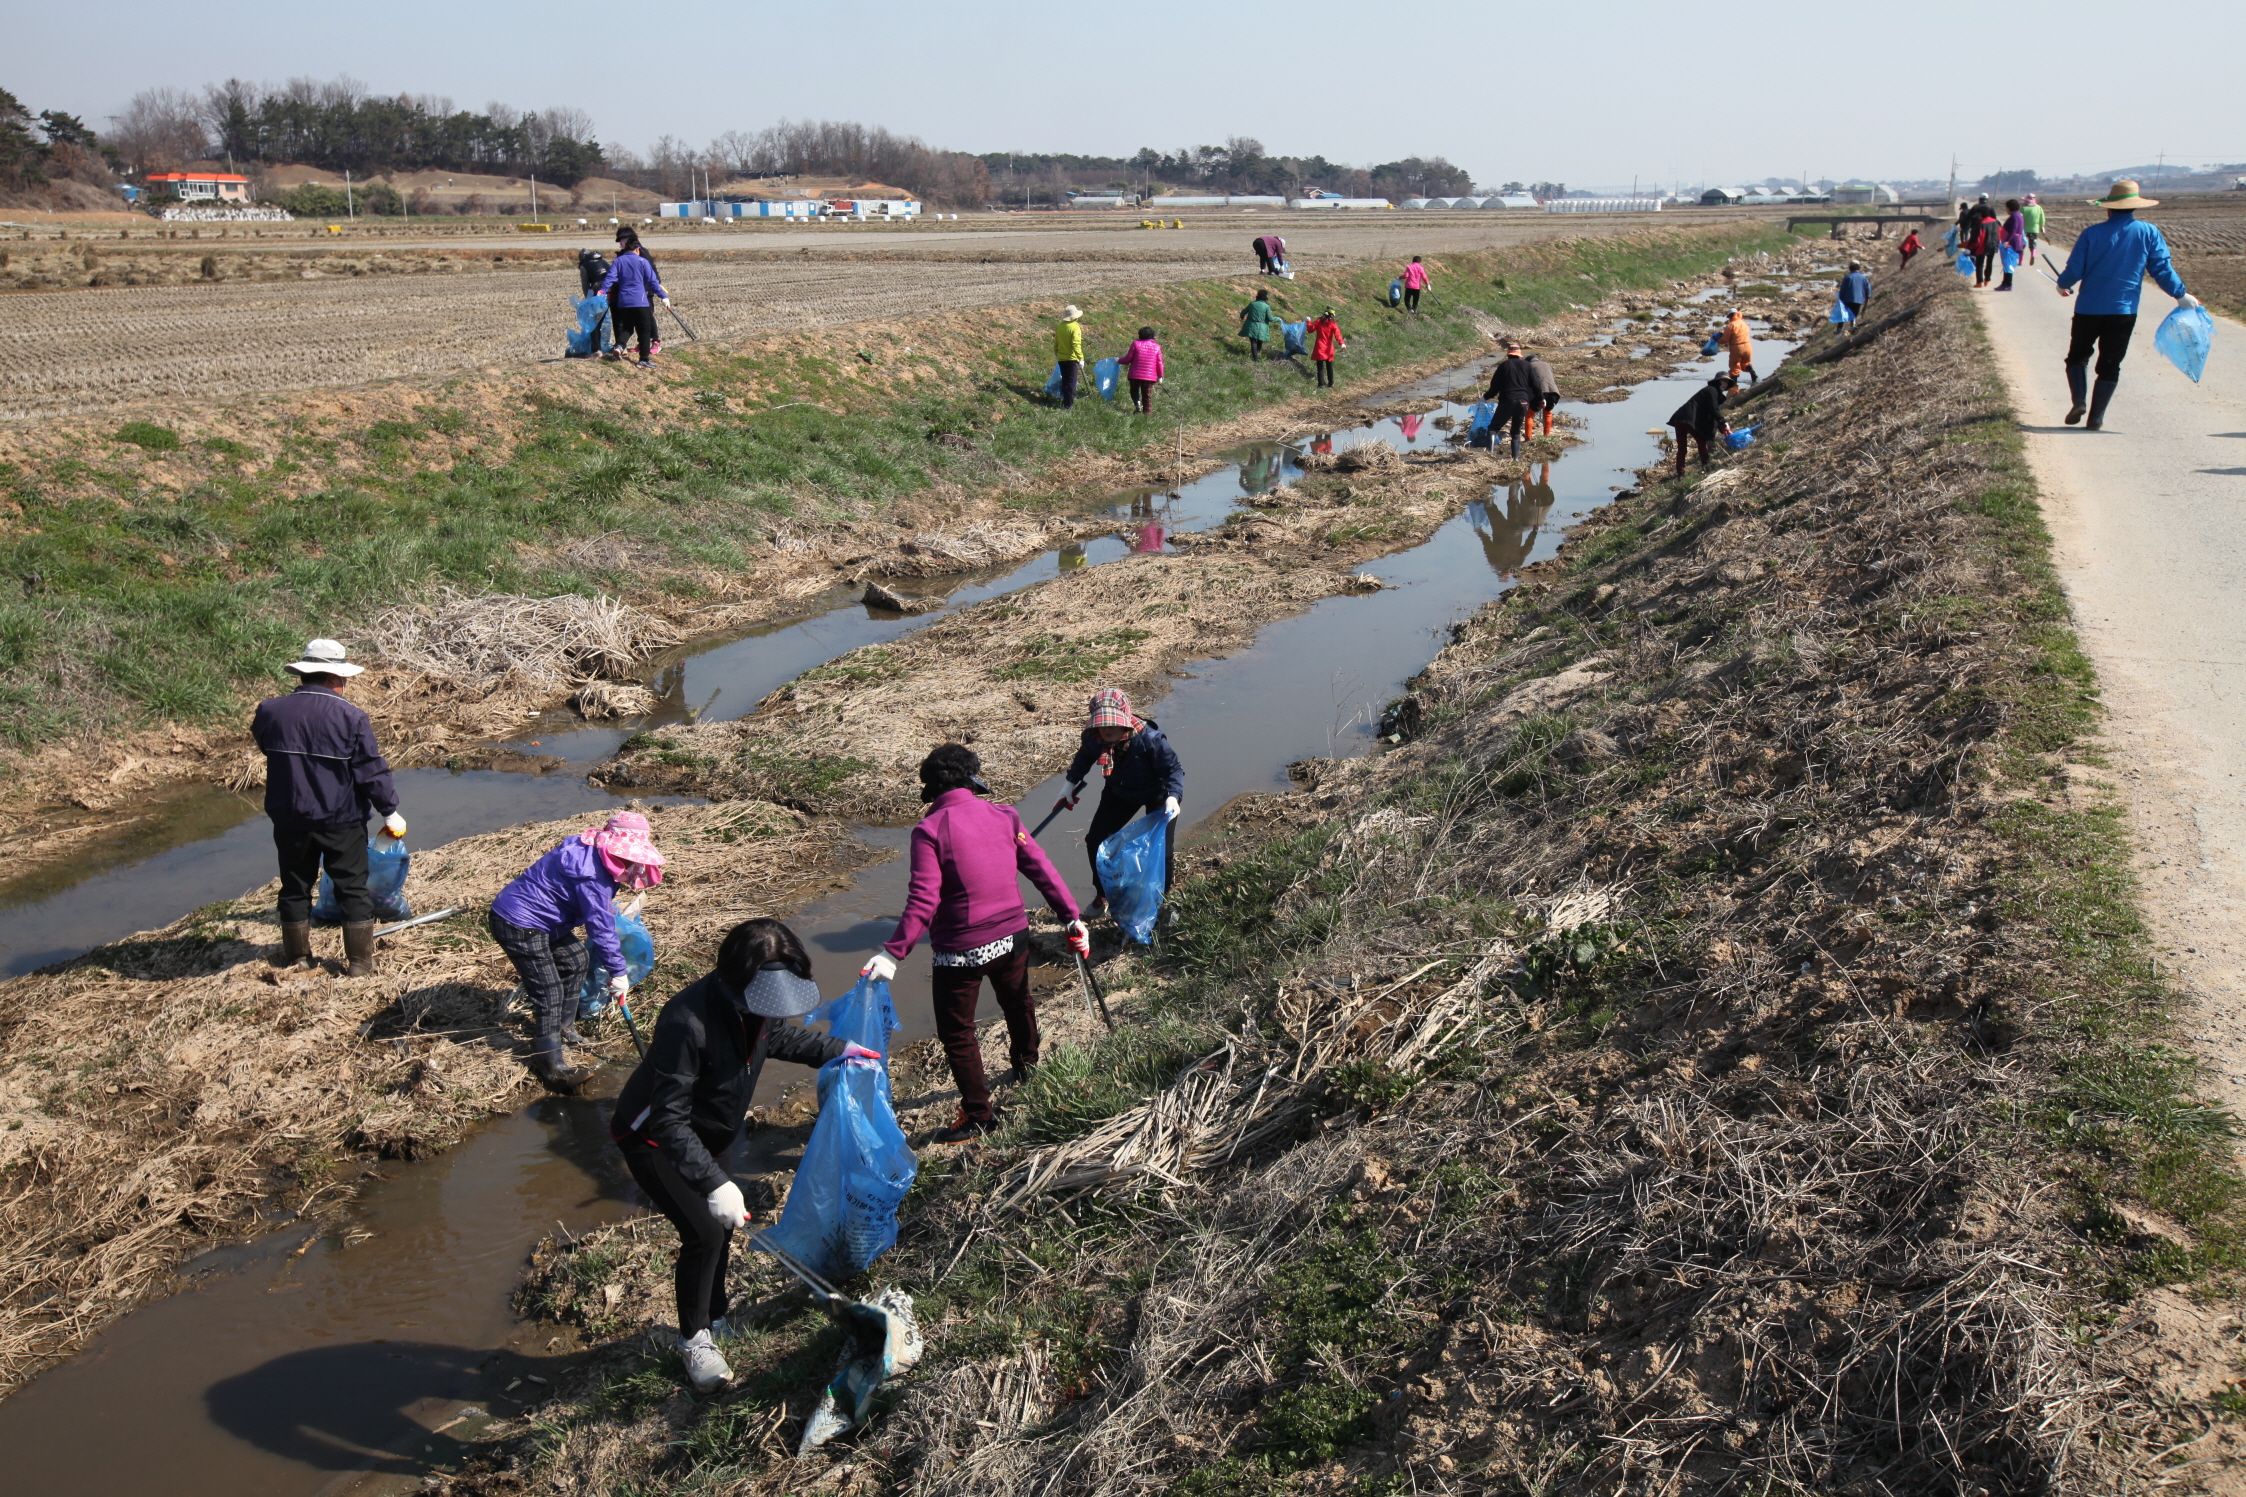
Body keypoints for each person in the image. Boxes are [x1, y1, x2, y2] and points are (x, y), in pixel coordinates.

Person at [609, 917, 878, 1393]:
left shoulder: (761, 1004)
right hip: (654, 1138)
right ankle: (694, 1340)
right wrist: (713, 1183)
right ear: (736, 982)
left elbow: (778, 1038)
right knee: (704, 1233)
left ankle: (716, 1315)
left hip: (714, 1129)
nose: (769, 1012)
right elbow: (668, 1120)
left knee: (725, 1230)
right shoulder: (685, 1021)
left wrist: (839, 1049)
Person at [862, 745, 1089, 1144]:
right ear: (972, 778)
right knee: (1018, 1002)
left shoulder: (929, 830)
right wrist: (1071, 915)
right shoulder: (1003, 815)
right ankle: (1027, 1067)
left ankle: (980, 1114)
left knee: (958, 1032)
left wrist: (893, 952)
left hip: (960, 952)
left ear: (930, 788)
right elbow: (1040, 867)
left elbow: (924, 898)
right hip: (1013, 936)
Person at [251, 638, 403, 978]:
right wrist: (389, 810)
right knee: (352, 887)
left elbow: (266, 747)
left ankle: (298, 959)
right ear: (336, 677)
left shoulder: (269, 711)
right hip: (341, 819)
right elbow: (370, 770)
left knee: (294, 886)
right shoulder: (350, 716)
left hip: (289, 816)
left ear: (305, 674)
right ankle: (361, 964)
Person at [491, 810, 668, 1093]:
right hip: (519, 922)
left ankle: (564, 1028)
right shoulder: (593, 875)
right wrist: (617, 971)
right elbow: (599, 927)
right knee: (548, 992)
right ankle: (552, 1067)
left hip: (547, 922)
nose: (631, 862)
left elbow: (596, 912)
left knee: (576, 959)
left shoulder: (592, 848)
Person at [2055, 180, 2200, 431]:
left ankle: (2079, 401)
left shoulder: (2091, 233)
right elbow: (2161, 269)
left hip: (2089, 307)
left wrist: (2063, 284)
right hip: (2123, 311)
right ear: (2134, 207)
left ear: (2108, 208)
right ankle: (2096, 417)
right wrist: (2180, 294)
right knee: (2111, 363)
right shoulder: (2148, 232)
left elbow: (2074, 269)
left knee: (2077, 356)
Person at [1062, 688, 1184, 916]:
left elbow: (1173, 770)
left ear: (1125, 719)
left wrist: (1173, 797)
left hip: (1158, 795)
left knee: (1162, 852)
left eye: (1113, 723)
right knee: (1096, 840)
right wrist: (1070, 783)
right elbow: (1084, 758)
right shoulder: (1094, 738)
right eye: (1102, 724)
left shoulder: (1150, 740)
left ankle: (1161, 901)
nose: (1108, 729)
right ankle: (1103, 893)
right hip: (1119, 792)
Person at [596, 239, 668, 367]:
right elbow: (653, 282)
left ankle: (619, 345)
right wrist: (663, 296)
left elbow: (610, 278)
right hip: (640, 301)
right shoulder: (642, 261)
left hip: (623, 302)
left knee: (628, 327)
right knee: (644, 329)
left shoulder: (618, 261)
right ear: (637, 249)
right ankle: (643, 360)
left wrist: (603, 290)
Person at [1668, 372, 1737, 475]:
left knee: (1682, 449)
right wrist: (1723, 422)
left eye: (1727, 383)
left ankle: (1680, 474)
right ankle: (1706, 466)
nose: (1725, 384)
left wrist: (1721, 427)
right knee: (1701, 441)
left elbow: (1712, 412)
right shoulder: (1711, 391)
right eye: (1723, 381)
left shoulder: (1712, 392)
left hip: (1680, 418)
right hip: (1687, 419)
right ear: (1717, 382)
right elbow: (1713, 410)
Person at [1484, 340, 1539, 457]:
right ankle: (1515, 459)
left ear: (1508, 355)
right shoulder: (1527, 365)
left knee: (1493, 429)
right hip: (1523, 402)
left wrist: (1486, 397)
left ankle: (1489, 456)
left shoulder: (1503, 366)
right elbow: (1536, 384)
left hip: (1507, 401)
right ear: (1520, 355)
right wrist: (1541, 397)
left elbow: (1495, 386)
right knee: (1516, 431)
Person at [1053, 304, 1086, 409]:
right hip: (1072, 359)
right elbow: (1076, 344)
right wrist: (1080, 358)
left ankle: (1065, 401)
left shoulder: (1060, 326)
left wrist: (1056, 352)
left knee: (1065, 381)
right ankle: (1068, 405)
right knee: (1071, 382)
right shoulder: (1075, 328)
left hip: (1061, 358)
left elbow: (1056, 341)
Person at [1124, 326, 1164, 414]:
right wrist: (1160, 376)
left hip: (1134, 375)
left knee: (1134, 391)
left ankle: (1138, 404)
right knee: (1147, 396)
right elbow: (1159, 363)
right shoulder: (1157, 347)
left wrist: (1118, 360)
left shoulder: (1135, 344)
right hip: (1149, 377)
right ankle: (1147, 415)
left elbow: (1128, 359)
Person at [1525, 347, 1559, 436]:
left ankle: (1528, 438)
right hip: (1553, 392)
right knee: (1548, 413)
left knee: (1530, 414)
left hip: (1540, 392)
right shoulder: (1546, 364)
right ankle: (1546, 436)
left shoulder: (1529, 366)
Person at [1308, 307, 1345, 387]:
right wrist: (1342, 343)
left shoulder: (1318, 321)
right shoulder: (1333, 324)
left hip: (1320, 347)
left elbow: (1310, 330)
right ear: (1331, 315)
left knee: (1320, 367)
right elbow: (1337, 334)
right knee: (1329, 366)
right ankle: (1331, 383)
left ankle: (1321, 384)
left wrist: (1308, 321)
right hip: (1328, 348)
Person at [1240, 288, 1279, 360]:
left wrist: (1242, 317)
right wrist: (1279, 319)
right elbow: (1270, 318)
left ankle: (1255, 358)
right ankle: (1257, 353)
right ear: (1265, 297)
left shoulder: (1252, 304)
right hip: (1262, 326)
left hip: (1251, 325)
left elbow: (1243, 313)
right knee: (1260, 340)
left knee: (1253, 341)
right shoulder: (1266, 306)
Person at [1720, 308, 1757, 385]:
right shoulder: (1744, 323)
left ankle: (1734, 385)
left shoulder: (1730, 325)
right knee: (1746, 363)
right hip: (1748, 346)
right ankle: (1753, 374)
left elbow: (1725, 339)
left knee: (1734, 366)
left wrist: (1717, 340)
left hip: (1737, 347)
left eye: (1729, 316)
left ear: (1731, 316)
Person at [1996, 200, 2027, 291]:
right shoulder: (2018, 215)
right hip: (2014, 241)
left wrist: (2007, 241)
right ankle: (2005, 283)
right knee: (2007, 264)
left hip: (2011, 243)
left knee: (2008, 264)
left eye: (2006, 207)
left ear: (2009, 208)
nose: (2006, 209)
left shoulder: (2014, 216)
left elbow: (2013, 229)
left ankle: (2008, 284)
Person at [2022, 193, 2045, 264]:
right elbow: (2042, 219)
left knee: (2022, 245)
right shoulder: (2039, 208)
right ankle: (2033, 254)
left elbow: (2019, 219)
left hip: (2024, 229)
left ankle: (2020, 260)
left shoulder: (2023, 208)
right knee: (2033, 244)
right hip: (2034, 229)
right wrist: (2042, 226)